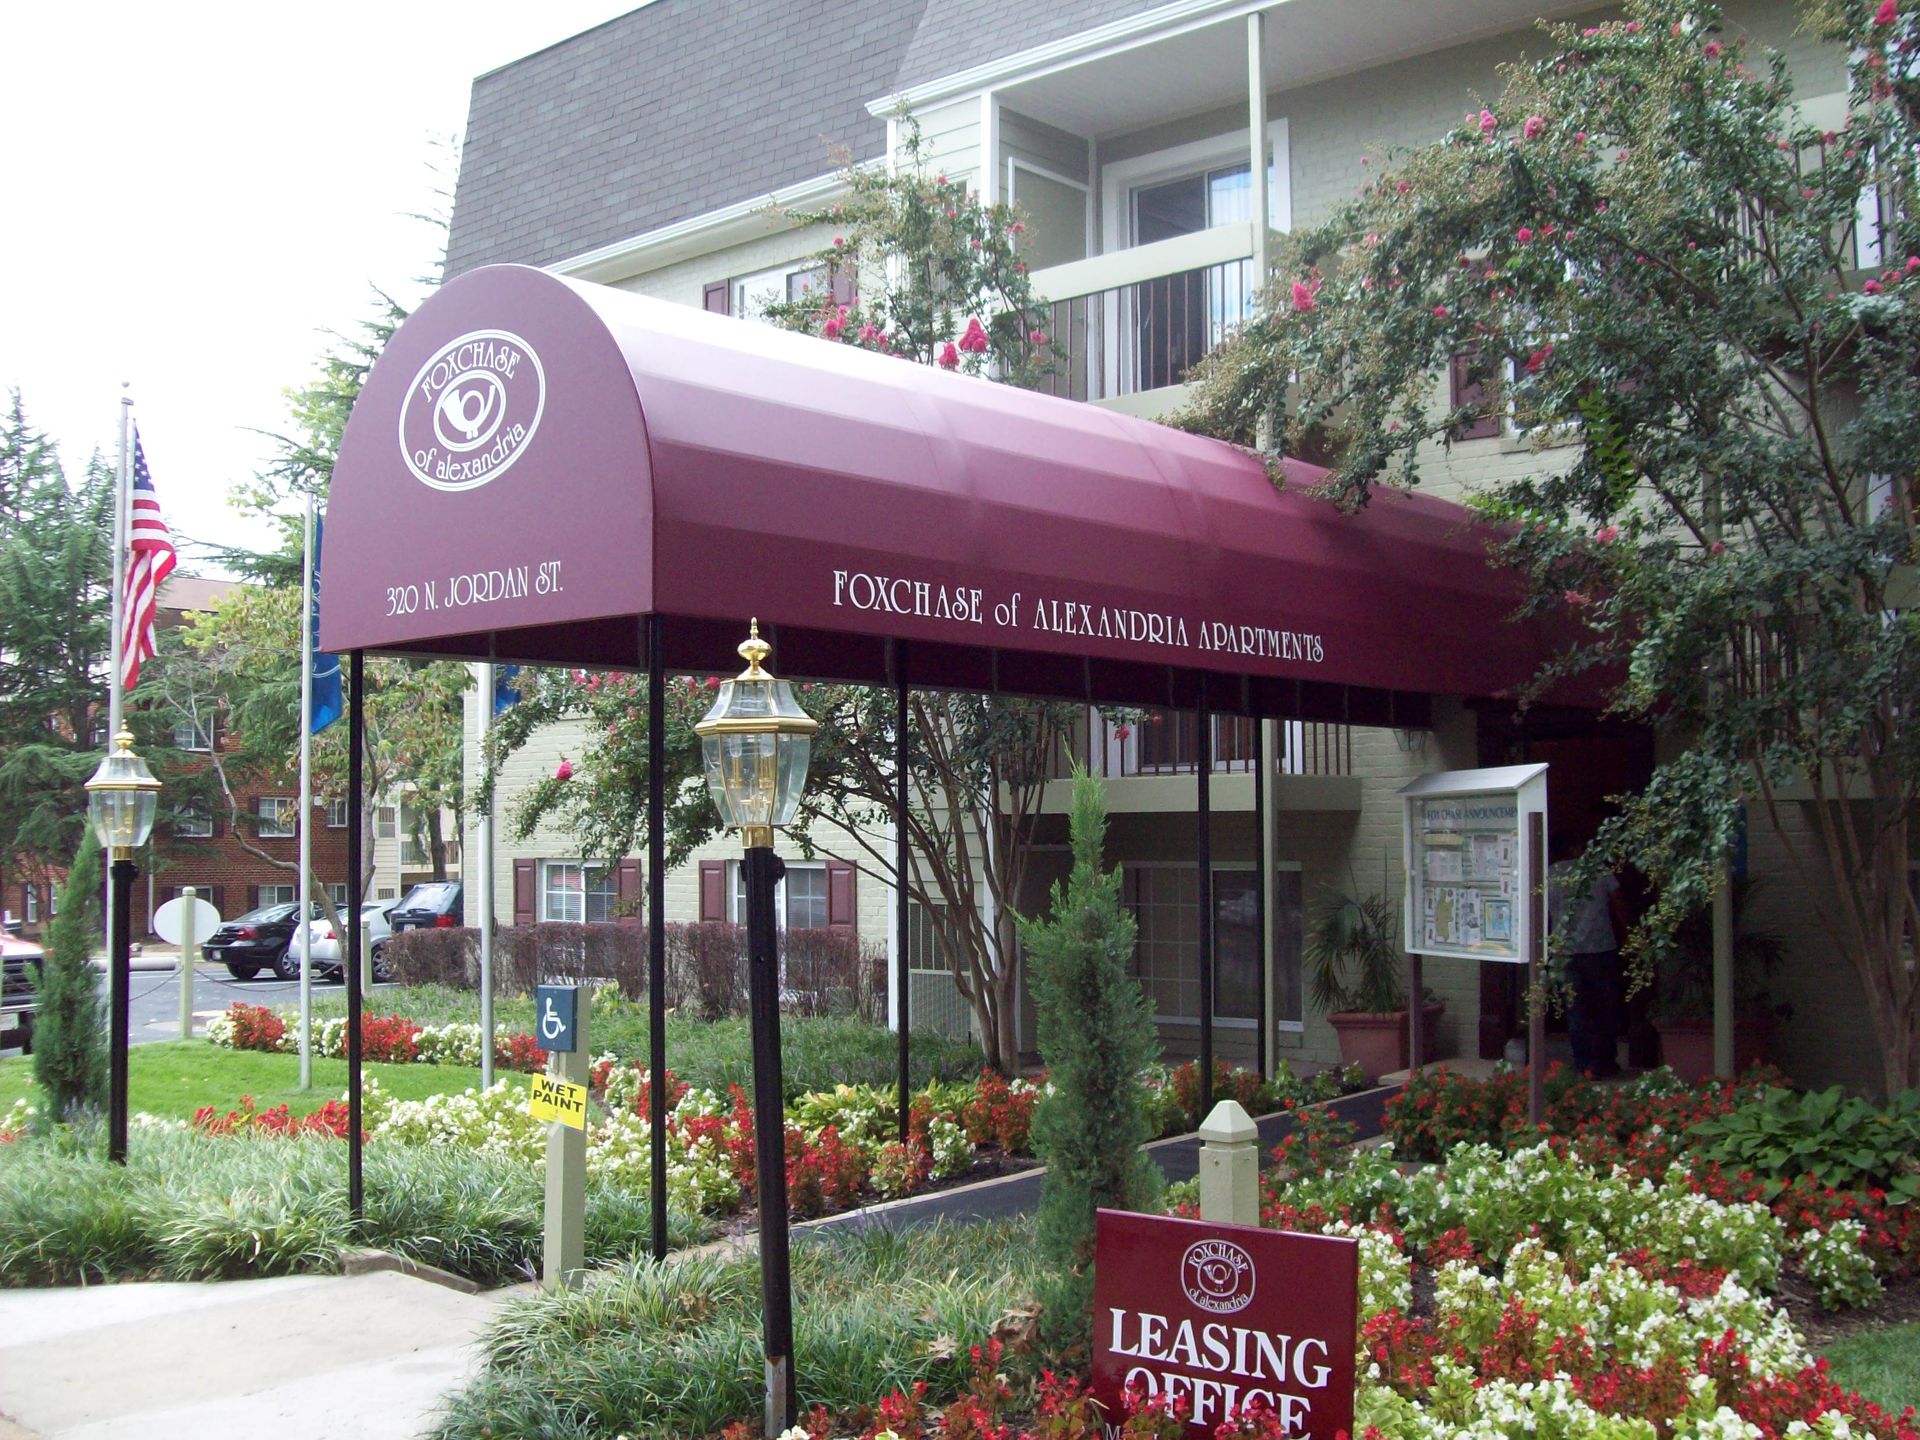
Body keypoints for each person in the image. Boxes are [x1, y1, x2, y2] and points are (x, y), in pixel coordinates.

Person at [1549, 838, 1631, 1078]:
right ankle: (1605, 1061)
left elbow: (1539, 907)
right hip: (1600, 947)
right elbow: (1618, 902)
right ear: (1573, 847)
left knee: (1577, 1010)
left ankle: (1583, 1064)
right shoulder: (1598, 869)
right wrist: (1628, 932)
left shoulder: (1550, 875)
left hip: (1565, 951)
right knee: (1606, 1007)